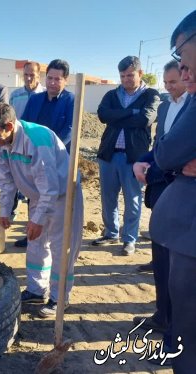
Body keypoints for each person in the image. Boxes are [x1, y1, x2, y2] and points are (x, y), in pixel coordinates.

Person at [0, 102, 83, 317]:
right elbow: (6, 180)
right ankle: (36, 290)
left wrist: (37, 219)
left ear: (9, 126)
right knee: (36, 243)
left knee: (60, 247)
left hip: (63, 196)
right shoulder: (1, 143)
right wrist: (5, 211)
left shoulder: (37, 141)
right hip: (38, 196)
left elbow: (50, 187)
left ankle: (59, 298)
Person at [150, 10, 196, 373]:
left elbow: (167, 152)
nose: (181, 73)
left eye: (181, 56)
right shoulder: (169, 105)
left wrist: (174, 159)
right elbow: (163, 153)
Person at [92, 56, 159, 255]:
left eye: (130, 75)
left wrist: (119, 115)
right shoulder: (112, 95)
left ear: (139, 73)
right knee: (108, 197)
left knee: (133, 200)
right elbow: (103, 115)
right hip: (109, 155)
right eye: (122, 76)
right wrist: (131, 113)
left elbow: (145, 119)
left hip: (135, 158)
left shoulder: (151, 95)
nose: (126, 79)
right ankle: (111, 232)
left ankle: (129, 239)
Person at [14, 59, 74, 248]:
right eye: (50, 78)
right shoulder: (35, 99)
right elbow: (25, 125)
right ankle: (33, 232)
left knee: (58, 200)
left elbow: (70, 129)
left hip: (60, 160)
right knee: (35, 197)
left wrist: (51, 151)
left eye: (57, 79)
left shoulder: (71, 101)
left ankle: (57, 238)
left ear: (65, 80)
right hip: (35, 160)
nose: (52, 83)